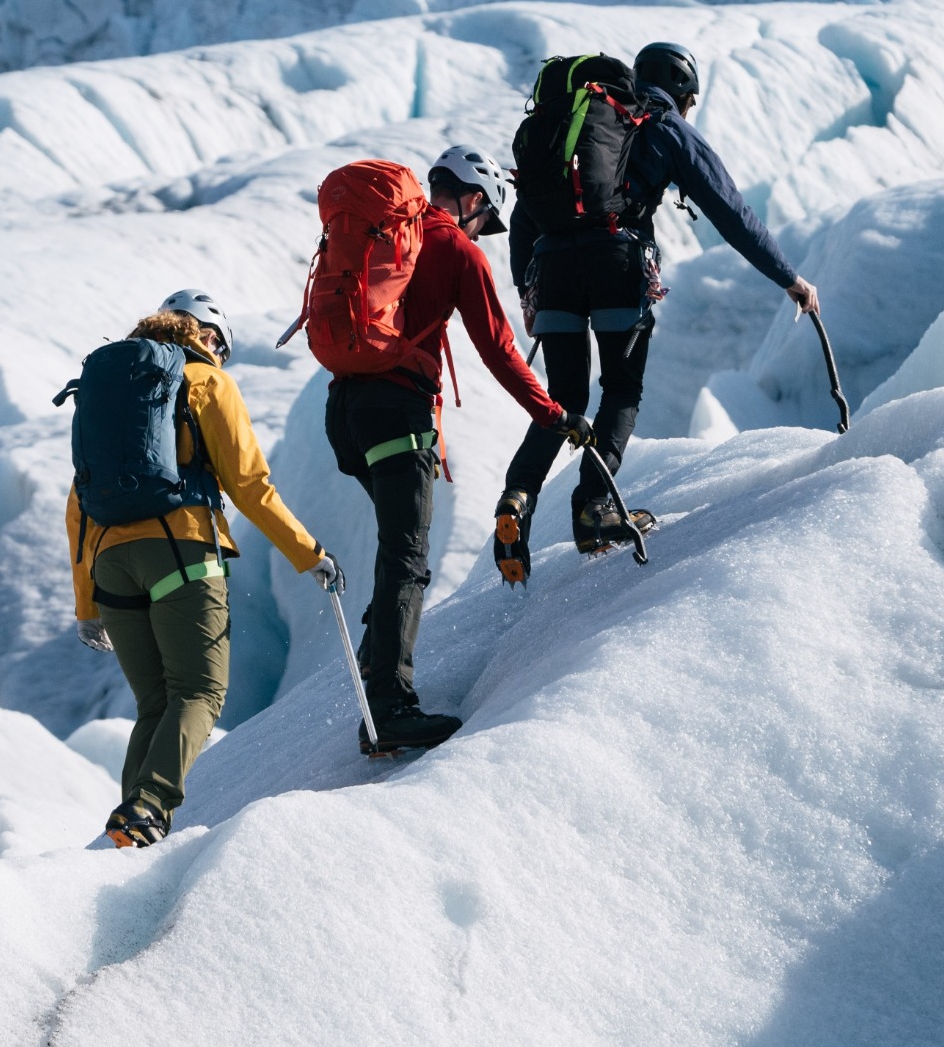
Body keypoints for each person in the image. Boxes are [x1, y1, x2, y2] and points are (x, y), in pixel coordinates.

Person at [495, 42, 820, 576]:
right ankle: (593, 510)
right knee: (621, 389)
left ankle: (516, 500)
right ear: (684, 93)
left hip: (553, 270)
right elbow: (730, 210)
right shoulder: (663, 123)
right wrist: (788, 277)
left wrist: (529, 291)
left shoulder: (572, 125)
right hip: (618, 263)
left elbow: (527, 215)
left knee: (563, 398)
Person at [321, 148, 586, 752]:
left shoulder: (388, 237)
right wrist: (553, 414)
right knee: (409, 555)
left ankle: (375, 664)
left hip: (344, 414)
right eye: (485, 215)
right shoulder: (455, 250)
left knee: (400, 548)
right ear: (470, 198)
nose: (482, 228)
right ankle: (388, 704)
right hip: (396, 412)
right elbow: (498, 349)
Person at [65, 288, 339, 848]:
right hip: (182, 551)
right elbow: (249, 485)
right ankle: (147, 810)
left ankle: (127, 825)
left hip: (112, 566)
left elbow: (78, 504)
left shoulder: (108, 391)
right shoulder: (207, 381)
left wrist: (87, 604)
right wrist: (308, 553)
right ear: (208, 336)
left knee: (156, 705)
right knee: (199, 693)